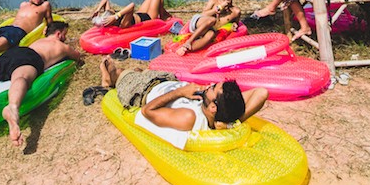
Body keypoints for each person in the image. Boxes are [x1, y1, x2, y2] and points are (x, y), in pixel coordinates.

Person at [100, 57, 267, 148]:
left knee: (120, 73)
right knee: (137, 70)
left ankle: (108, 80)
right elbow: (261, 92)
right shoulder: (215, 109)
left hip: (142, 90)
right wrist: (229, 120)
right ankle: (125, 73)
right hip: (165, 79)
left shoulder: (190, 117)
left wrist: (180, 92)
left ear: (213, 107)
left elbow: (147, 111)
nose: (209, 85)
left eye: (213, 87)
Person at [176, 0, 241, 56]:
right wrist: (218, 8)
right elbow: (203, 14)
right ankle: (189, 41)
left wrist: (234, 24)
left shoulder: (236, 12)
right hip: (199, 22)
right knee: (212, 20)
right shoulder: (214, 0)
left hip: (210, 29)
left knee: (211, 35)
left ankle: (185, 48)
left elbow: (236, 23)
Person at [91, 0, 170, 28]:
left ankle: (165, 13)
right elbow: (132, 5)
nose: (112, 12)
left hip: (139, 13)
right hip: (149, 17)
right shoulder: (123, 24)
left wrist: (98, 9)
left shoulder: (111, 16)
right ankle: (163, 16)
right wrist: (115, 16)